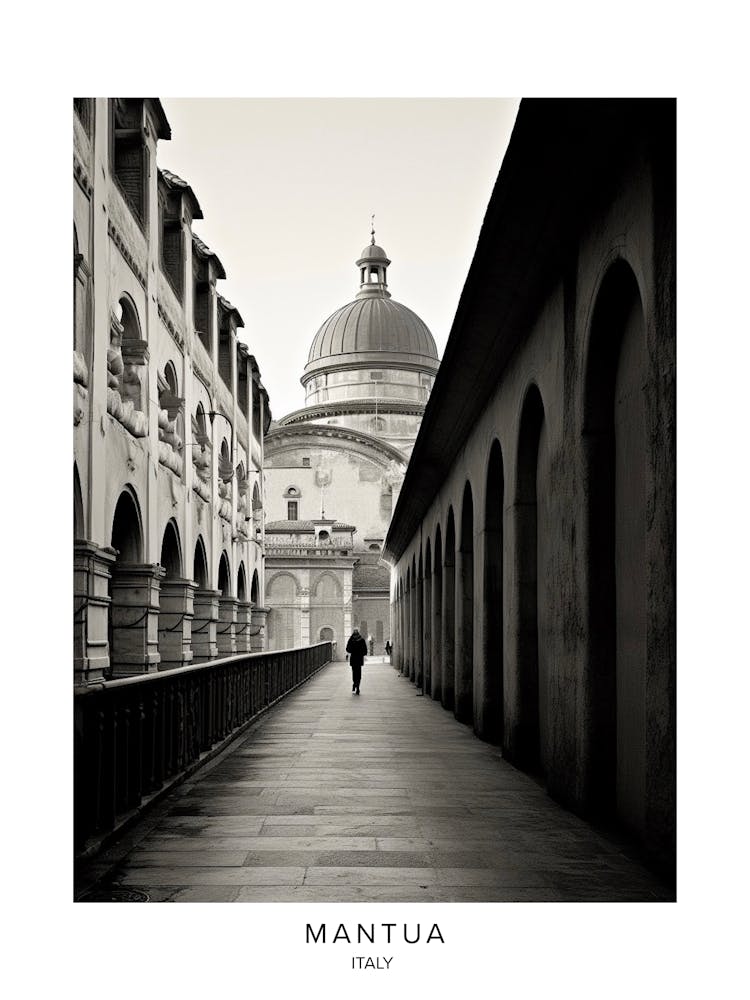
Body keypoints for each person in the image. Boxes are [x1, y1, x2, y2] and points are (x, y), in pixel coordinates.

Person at [346, 628, 368, 695]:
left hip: (353, 659)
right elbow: (365, 651)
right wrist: (361, 653)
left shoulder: (351, 640)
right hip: (359, 659)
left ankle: (354, 684)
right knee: (359, 673)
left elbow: (347, 649)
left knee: (354, 673)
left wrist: (353, 651)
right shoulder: (362, 640)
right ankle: (358, 686)